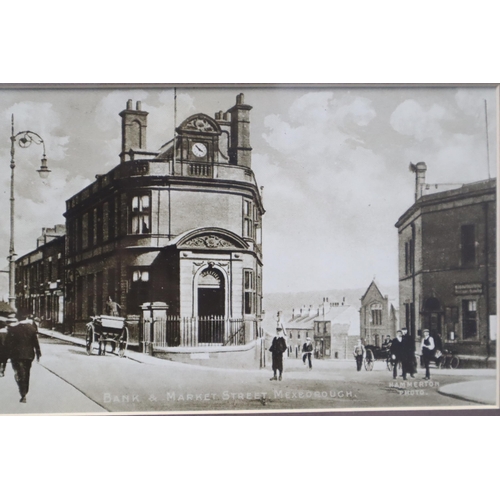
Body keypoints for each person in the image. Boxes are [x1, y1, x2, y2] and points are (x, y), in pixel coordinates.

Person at [5, 315, 41, 403]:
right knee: (26, 373)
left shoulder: (13, 329)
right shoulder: (32, 329)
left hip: (17, 355)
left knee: (20, 373)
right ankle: (25, 392)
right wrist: (38, 353)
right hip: (29, 355)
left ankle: (22, 392)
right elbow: (35, 342)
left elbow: (7, 343)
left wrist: (6, 355)